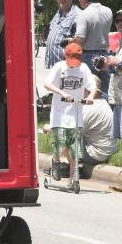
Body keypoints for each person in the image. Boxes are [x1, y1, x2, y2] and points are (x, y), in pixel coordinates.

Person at [44, 42, 96, 188]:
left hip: (76, 113)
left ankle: (73, 180)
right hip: (60, 113)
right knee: (60, 143)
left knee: (74, 147)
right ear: (65, 56)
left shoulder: (84, 68)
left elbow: (93, 86)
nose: (74, 64)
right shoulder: (59, 67)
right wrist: (62, 92)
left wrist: (90, 96)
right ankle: (56, 161)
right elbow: (47, 83)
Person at [69, 0, 113, 94]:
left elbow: (80, 38)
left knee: (87, 91)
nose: (79, 0)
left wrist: (71, 41)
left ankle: (89, 111)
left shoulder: (83, 14)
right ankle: (104, 110)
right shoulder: (108, 11)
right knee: (103, 90)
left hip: (88, 56)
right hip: (105, 55)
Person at [81, 75, 117, 168]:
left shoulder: (90, 108)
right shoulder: (102, 102)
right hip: (107, 149)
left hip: (96, 154)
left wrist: (50, 128)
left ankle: (68, 169)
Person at [45, 0, 81, 69]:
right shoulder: (58, 13)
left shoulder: (78, 15)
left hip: (67, 66)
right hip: (54, 64)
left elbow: (80, 41)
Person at [104, 11, 122, 141]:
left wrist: (118, 62)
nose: (120, 23)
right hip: (118, 94)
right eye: (117, 21)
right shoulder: (119, 41)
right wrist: (107, 65)